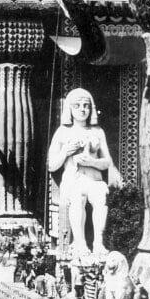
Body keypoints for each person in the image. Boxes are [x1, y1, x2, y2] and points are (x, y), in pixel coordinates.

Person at [48, 88, 115, 258]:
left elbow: (107, 162)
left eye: (86, 105)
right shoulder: (63, 132)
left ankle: (98, 243)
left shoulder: (97, 132)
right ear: (70, 109)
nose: (82, 109)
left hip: (94, 181)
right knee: (77, 197)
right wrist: (65, 152)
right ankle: (80, 243)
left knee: (101, 196)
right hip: (73, 181)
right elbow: (51, 165)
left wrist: (91, 162)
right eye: (77, 106)